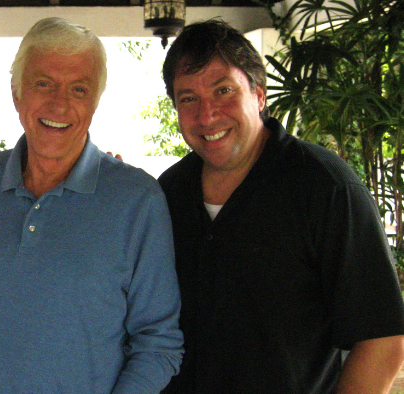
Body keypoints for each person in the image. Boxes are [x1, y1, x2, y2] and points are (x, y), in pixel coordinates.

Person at [157, 19, 404, 393]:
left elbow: (383, 338)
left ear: (258, 94)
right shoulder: (169, 192)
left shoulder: (325, 186)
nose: (207, 115)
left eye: (223, 90)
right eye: (188, 98)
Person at [0, 17, 184, 394]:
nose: (59, 103)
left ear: (95, 102)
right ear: (17, 91)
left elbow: (159, 344)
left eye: (79, 89)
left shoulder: (138, 200)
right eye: (43, 84)